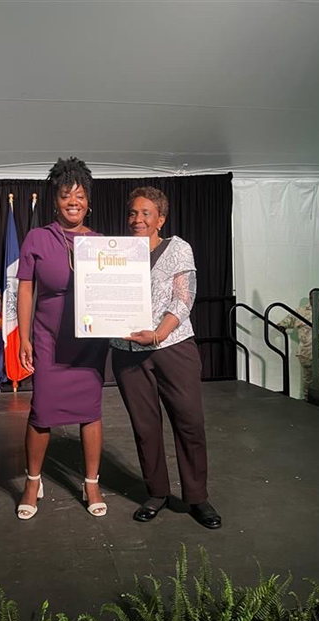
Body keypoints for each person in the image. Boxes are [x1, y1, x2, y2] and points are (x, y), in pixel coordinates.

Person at [111, 187, 221, 529]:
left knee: (189, 423)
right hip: (127, 353)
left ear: (161, 218)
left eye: (146, 213)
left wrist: (159, 332)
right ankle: (157, 492)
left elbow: (184, 299)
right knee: (145, 428)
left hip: (172, 347)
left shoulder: (177, 248)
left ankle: (197, 497)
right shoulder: (115, 253)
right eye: (133, 213)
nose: (137, 219)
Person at [16, 157, 108, 520]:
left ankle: (91, 482)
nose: (74, 201)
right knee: (42, 412)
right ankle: (32, 481)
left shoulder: (103, 243)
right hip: (49, 339)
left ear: (88, 202)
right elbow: (26, 291)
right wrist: (24, 338)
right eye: (67, 195)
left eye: (81, 195)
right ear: (55, 200)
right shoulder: (37, 238)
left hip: (89, 342)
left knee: (91, 411)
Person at [277, 288, 319, 400]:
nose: (314, 300)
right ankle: (308, 401)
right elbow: (288, 320)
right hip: (308, 352)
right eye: (311, 298)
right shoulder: (302, 311)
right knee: (310, 379)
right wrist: (282, 326)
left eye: (317, 297)